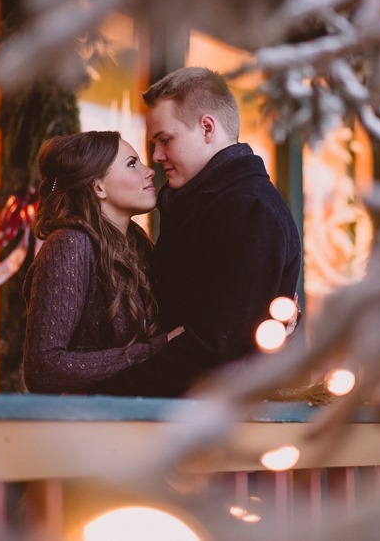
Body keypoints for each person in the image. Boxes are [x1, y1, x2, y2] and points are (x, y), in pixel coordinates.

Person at [96, 66, 302, 397]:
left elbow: (214, 347)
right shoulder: (203, 202)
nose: (157, 156)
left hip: (204, 423)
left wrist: (104, 393)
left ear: (207, 128)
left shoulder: (247, 208)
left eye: (165, 140)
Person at [23, 130, 183, 394]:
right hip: (84, 426)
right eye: (132, 164)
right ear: (98, 186)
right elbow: (43, 368)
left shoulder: (137, 243)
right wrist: (155, 348)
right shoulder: (70, 244)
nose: (150, 171)